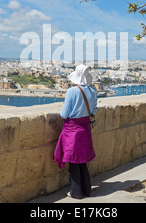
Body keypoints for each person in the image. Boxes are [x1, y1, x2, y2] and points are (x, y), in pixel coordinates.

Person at [53, 64, 97, 199]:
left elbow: (64, 114)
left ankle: (76, 192)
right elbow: (94, 111)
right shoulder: (93, 91)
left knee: (73, 161)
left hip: (72, 130)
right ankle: (86, 189)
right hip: (85, 128)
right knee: (82, 161)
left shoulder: (72, 91)